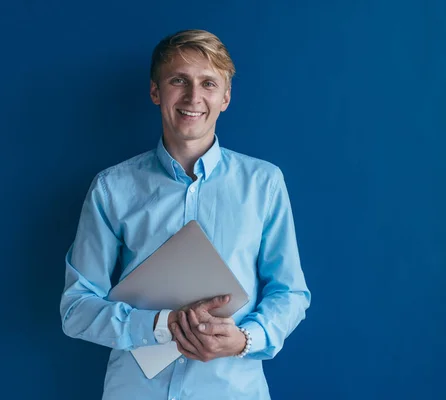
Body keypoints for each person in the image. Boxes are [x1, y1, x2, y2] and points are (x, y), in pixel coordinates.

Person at [60, 29, 311, 400]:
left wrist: (244, 340)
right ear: (155, 91)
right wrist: (160, 325)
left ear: (225, 97)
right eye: (179, 80)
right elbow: (76, 308)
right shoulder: (111, 188)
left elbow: (290, 293)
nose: (194, 97)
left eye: (208, 83)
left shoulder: (265, 184)